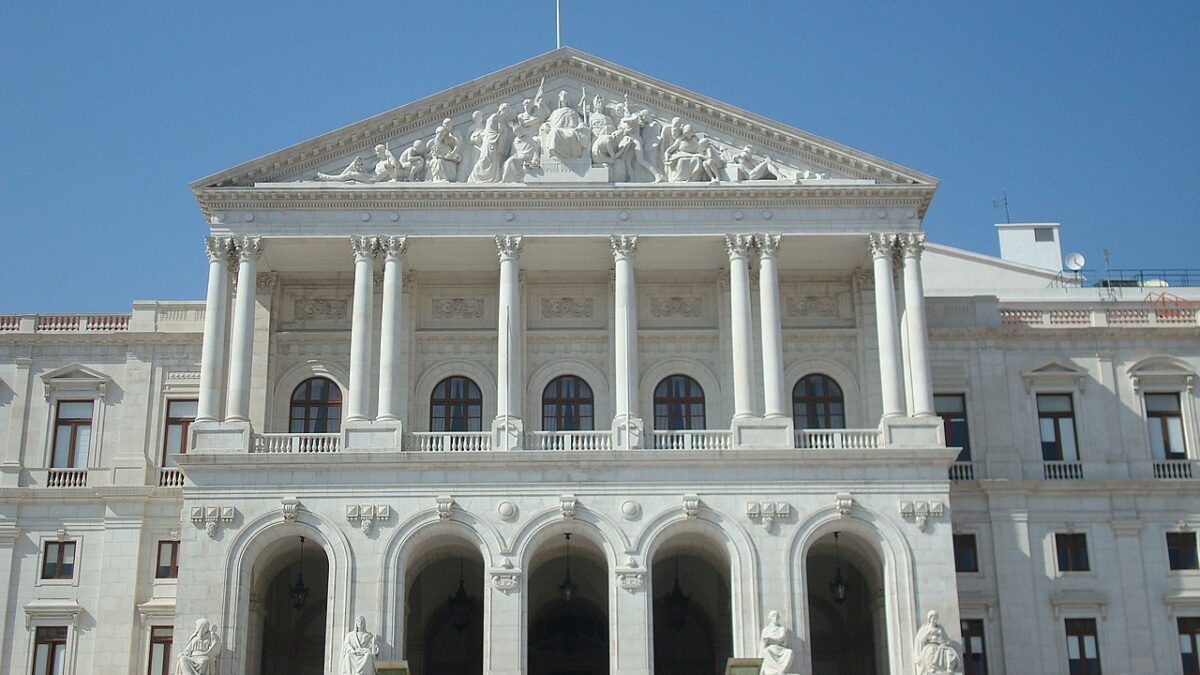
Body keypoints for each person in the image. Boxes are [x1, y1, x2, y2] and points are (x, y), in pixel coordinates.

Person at [468, 103, 515, 183]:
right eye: (506, 112)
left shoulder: (504, 122)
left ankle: (493, 178)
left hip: (497, 146)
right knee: (485, 159)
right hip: (490, 143)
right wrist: (498, 137)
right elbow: (489, 130)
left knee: (495, 162)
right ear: (501, 110)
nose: (507, 115)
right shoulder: (493, 117)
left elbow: (506, 135)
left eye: (508, 113)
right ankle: (475, 178)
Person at [758, 611, 794, 675]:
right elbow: (763, 643)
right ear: (770, 618)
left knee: (789, 652)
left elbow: (782, 638)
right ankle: (773, 671)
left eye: (777, 616)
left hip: (780, 649)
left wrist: (770, 638)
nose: (776, 618)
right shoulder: (766, 630)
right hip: (771, 649)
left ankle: (782, 670)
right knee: (766, 651)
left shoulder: (781, 628)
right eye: (774, 616)